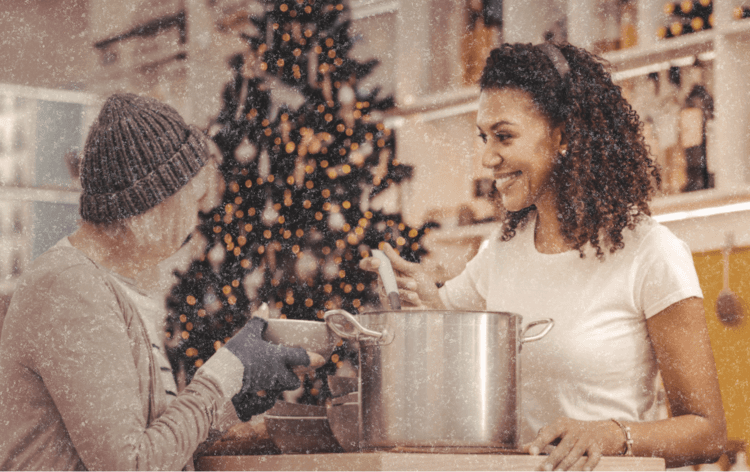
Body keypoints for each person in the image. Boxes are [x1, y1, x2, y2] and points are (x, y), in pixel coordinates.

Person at [363, 42, 727, 472]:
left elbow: (707, 432)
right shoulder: (500, 251)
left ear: (565, 134)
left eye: (504, 136)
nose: (488, 158)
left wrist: (612, 434)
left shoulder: (651, 253)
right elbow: (448, 331)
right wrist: (424, 295)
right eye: (484, 138)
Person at [0, 93, 321, 471]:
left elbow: (154, 445)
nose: (196, 217)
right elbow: (133, 466)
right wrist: (226, 372)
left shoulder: (103, 285)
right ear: (153, 203)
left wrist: (229, 404)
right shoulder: (70, 288)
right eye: (193, 199)